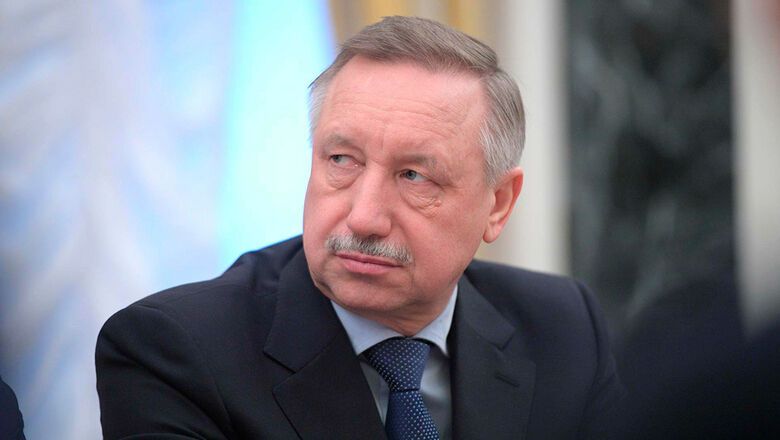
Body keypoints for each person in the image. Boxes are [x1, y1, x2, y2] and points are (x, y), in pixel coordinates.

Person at [96, 16, 623, 439]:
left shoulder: (563, 329)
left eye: (414, 176)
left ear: (498, 204)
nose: (364, 218)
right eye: (342, 160)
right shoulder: (174, 352)